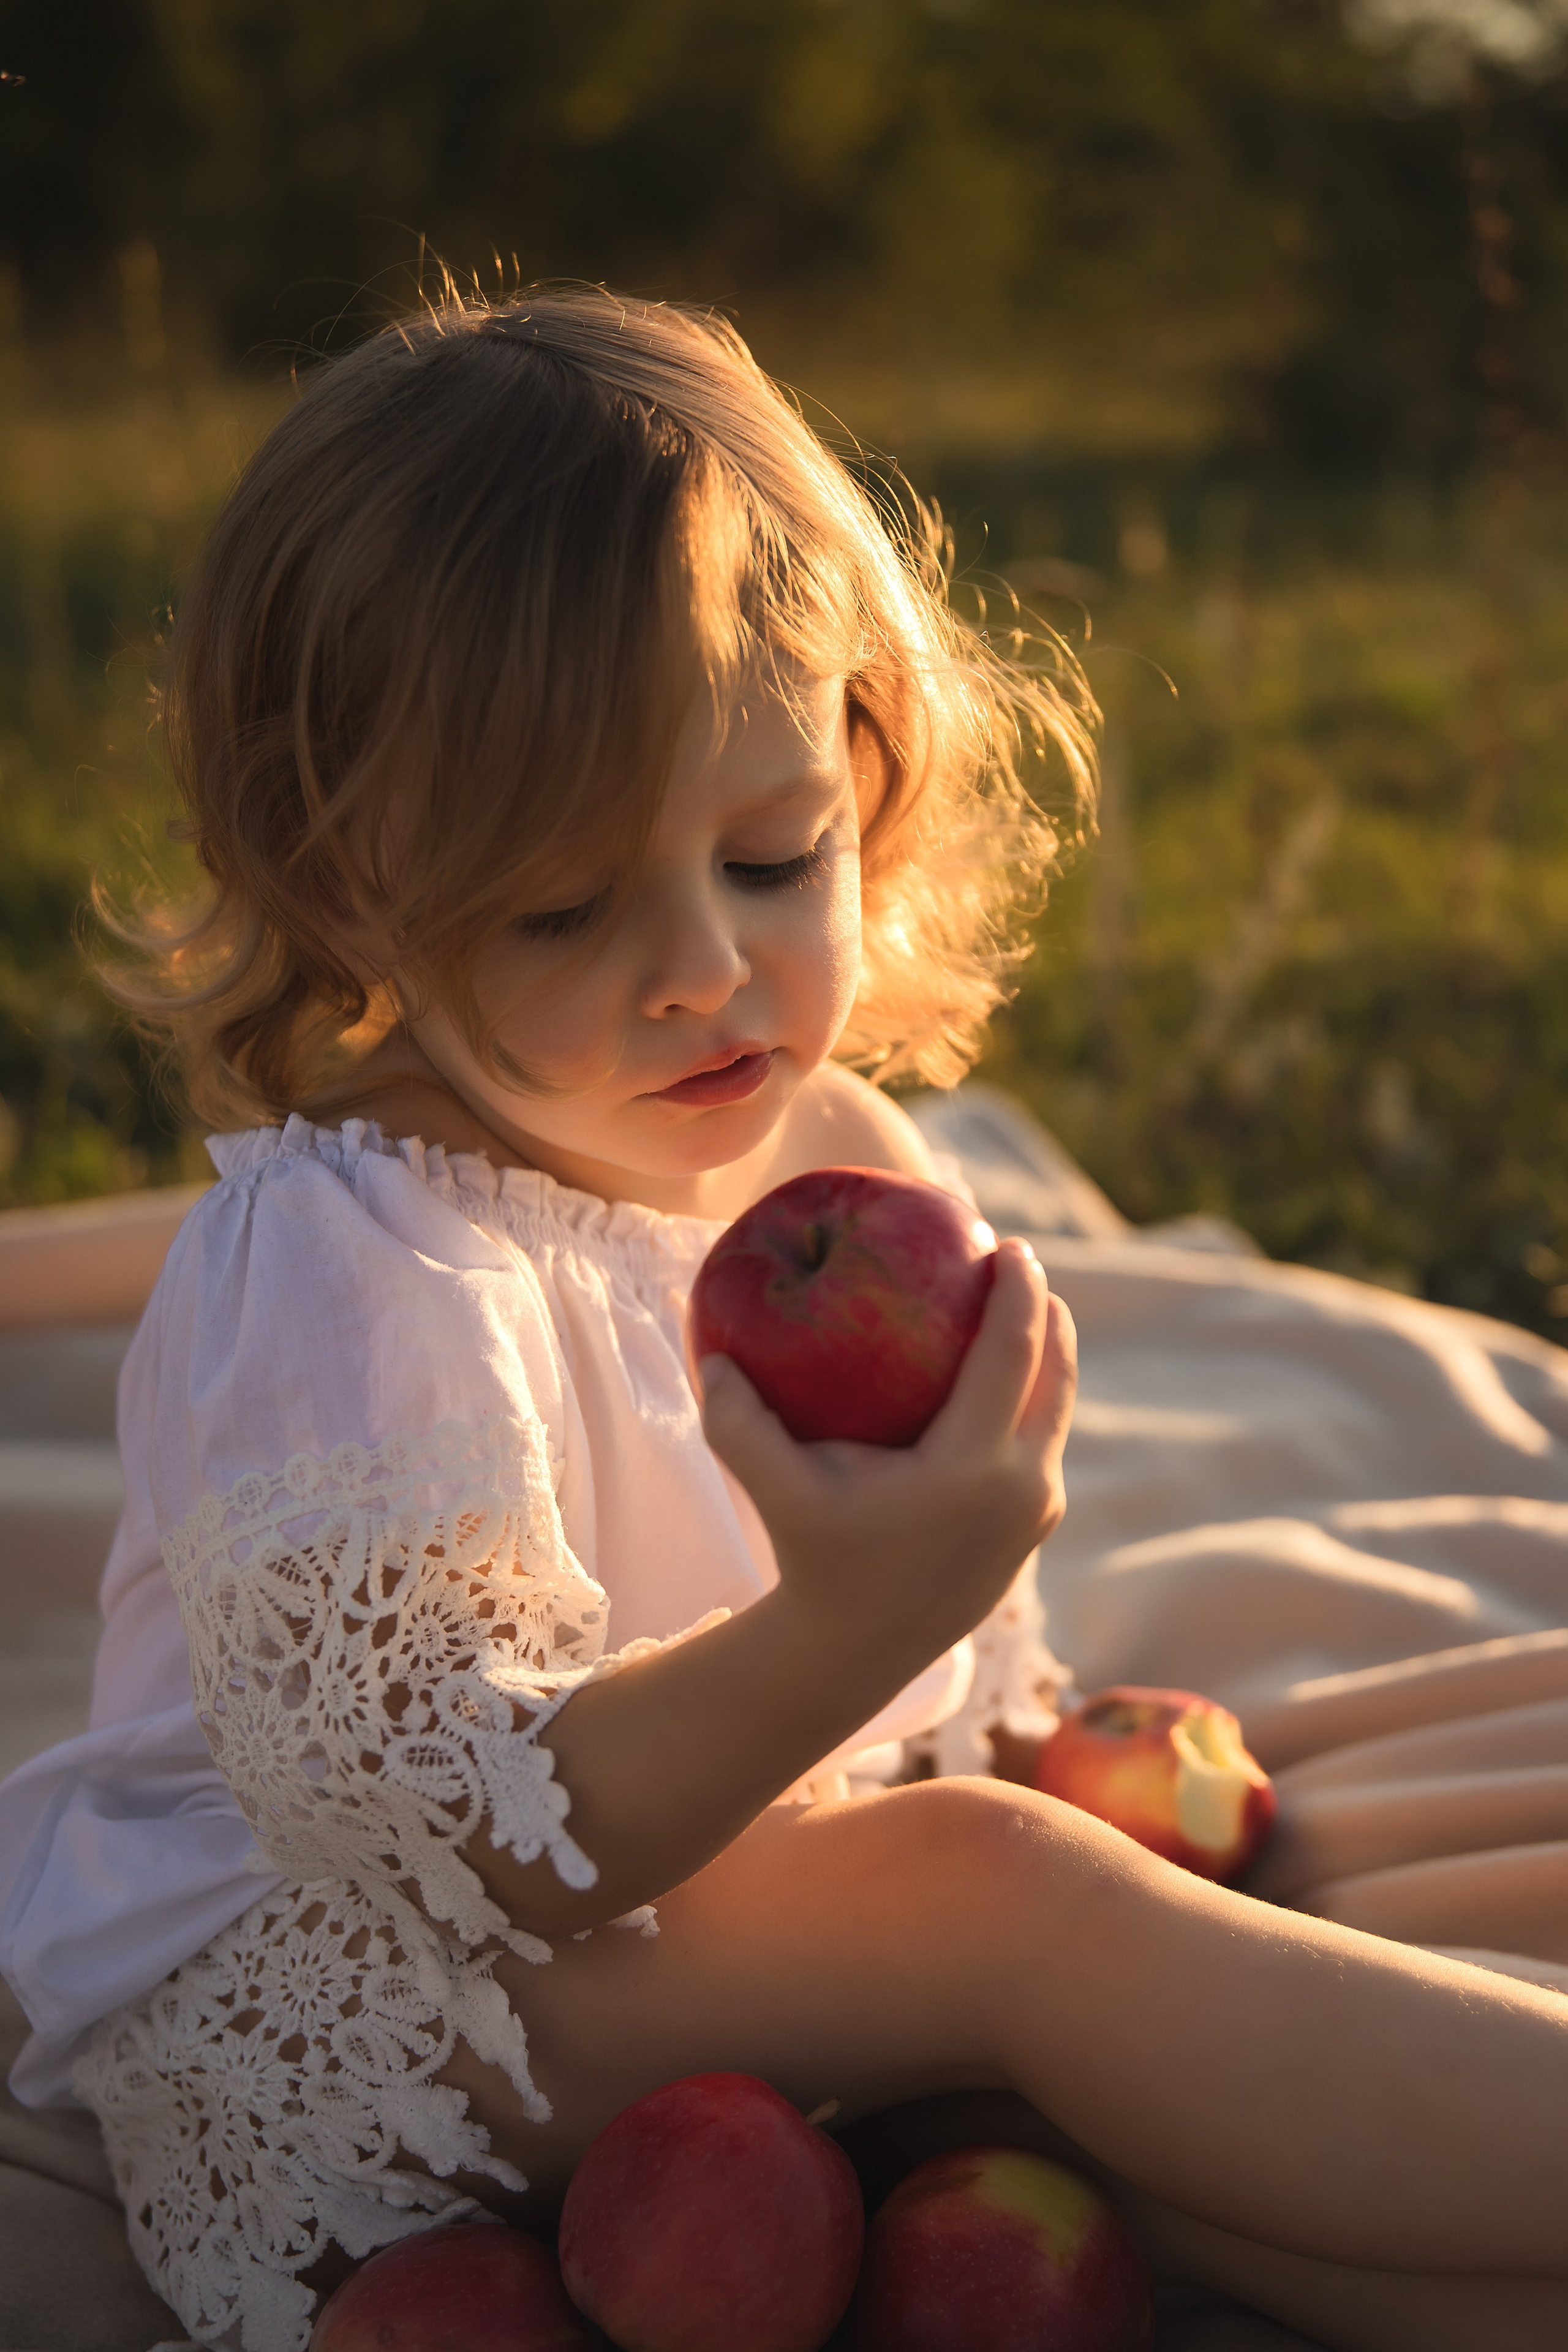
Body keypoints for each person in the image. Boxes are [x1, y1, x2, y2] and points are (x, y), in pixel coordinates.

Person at [1, 288, 1565, 2352]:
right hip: (373, 2012)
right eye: (561, 908)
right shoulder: (356, 1262)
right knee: (1012, 1910)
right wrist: (861, 1624)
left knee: (1092, 2084)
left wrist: (971, 1690)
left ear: (864, 766)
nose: (698, 974)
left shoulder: (823, 1156)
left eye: (770, 858)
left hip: (705, 1961)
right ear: (346, 880)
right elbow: (478, 1842)